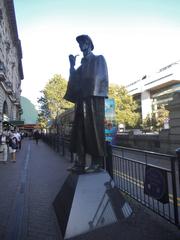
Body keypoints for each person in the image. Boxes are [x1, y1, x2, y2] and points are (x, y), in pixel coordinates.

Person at [64, 34, 109, 172]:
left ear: (89, 43)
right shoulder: (81, 66)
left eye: (82, 42)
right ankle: (80, 162)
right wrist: (72, 65)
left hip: (92, 101)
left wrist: (84, 90)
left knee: (93, 131)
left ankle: (97, 162)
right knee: (79, 131)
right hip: (81, 101)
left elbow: (99, 79)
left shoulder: (98, 59)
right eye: (79, 43)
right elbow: (73, 81)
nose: (80, 45)